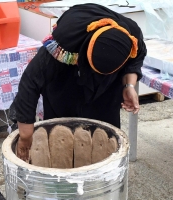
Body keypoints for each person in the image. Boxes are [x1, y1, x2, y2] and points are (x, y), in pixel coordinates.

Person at [10, 3, 147, 161]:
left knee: (104, 143)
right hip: (65, 84)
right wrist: (26, 137)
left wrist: (129, 85)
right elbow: (30, 82)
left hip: (106, 93)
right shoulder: (66, 39)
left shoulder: (132, 37)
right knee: (59, 140)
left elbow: (135, 60)